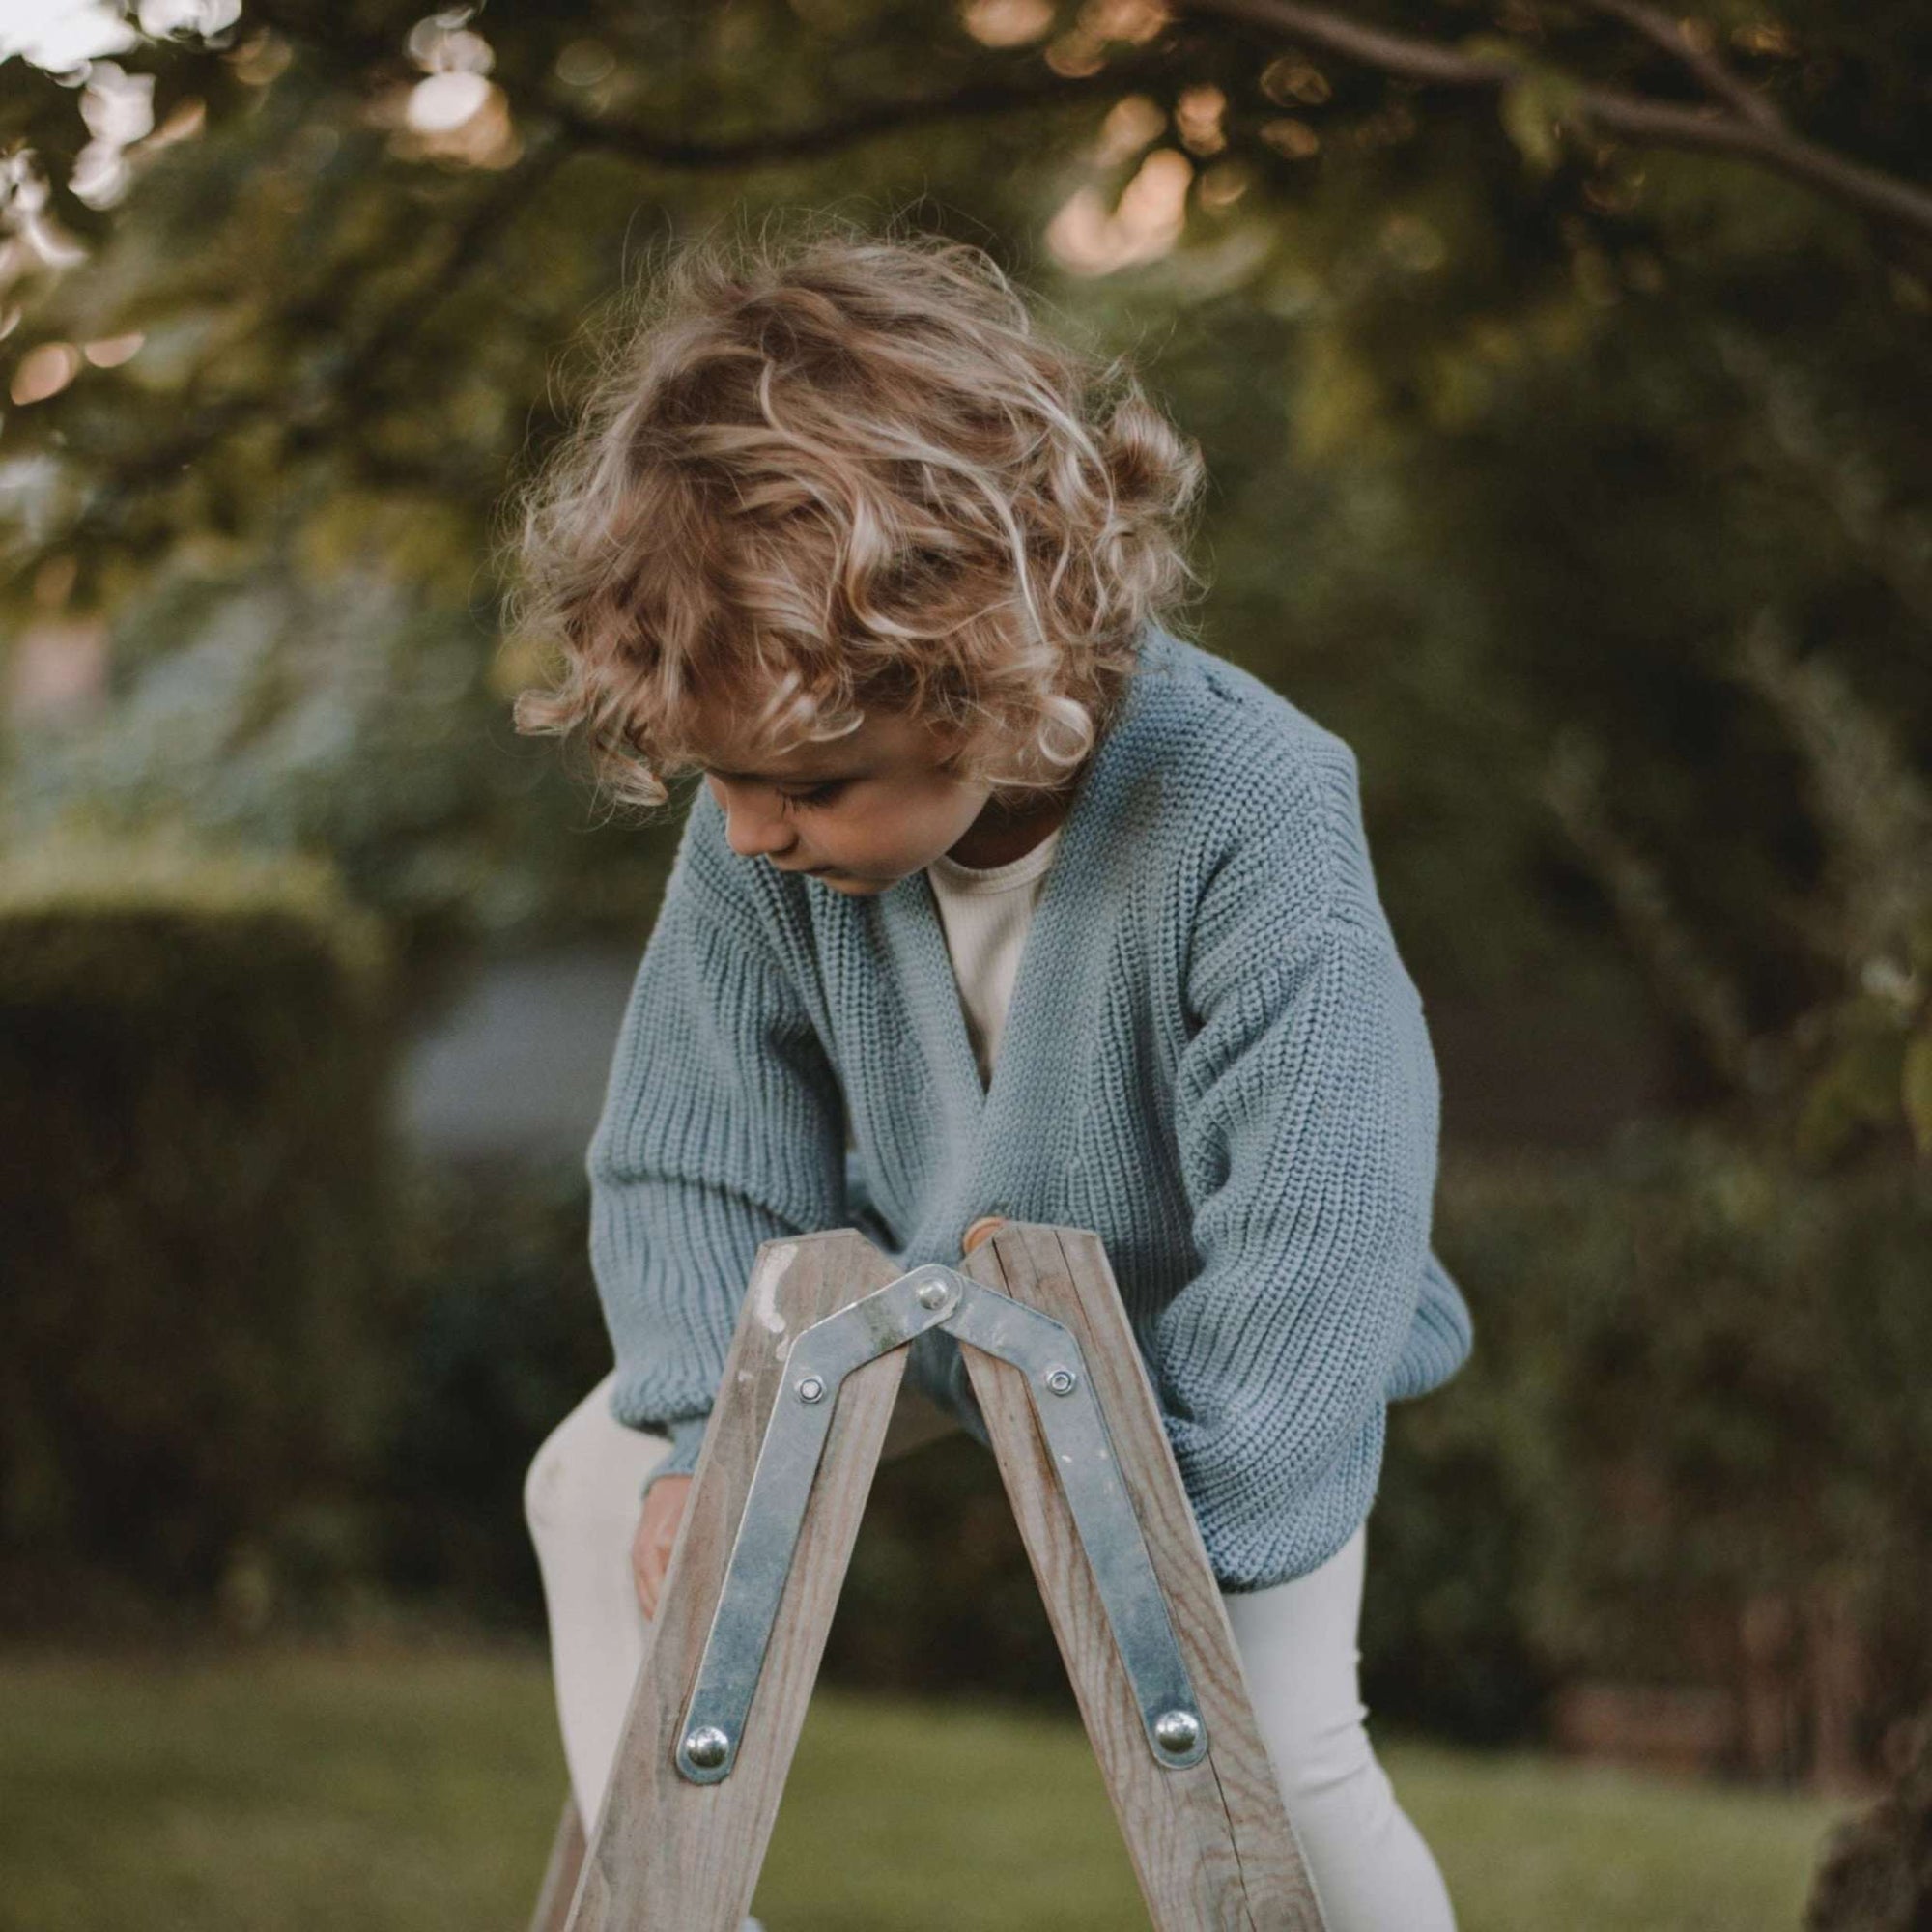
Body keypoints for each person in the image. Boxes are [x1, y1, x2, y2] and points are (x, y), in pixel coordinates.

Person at [499, 214, 1471, 1931]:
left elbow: (1332, 1193)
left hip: (1204, 1375)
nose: (748, 831)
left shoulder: (1250, 808)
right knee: (584, 1483)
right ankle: (676, 1909)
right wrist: (680, 1427)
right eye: (717, 779)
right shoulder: (762, 835)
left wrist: (1203, 1519)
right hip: (910, 1304)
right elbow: (694, 1145)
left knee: (1293, 1764)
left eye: (807, 782)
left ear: (992, 675)